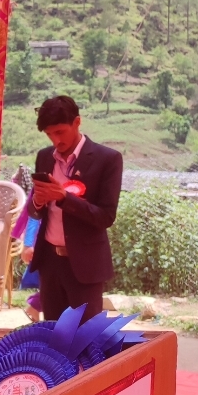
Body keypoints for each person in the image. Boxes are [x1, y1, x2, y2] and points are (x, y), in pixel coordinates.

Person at [26, 96, 123, 322]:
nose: (56, 140)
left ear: (77, 122)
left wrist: (64, 198)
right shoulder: (44, 157)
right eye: (49, 134)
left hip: (85, 266)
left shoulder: (107, 159)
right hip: (50, 263)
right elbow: (34, 210)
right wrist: (38, 201)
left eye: (60, 132)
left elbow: (106, 217)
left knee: (85, 336)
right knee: (53, 333)